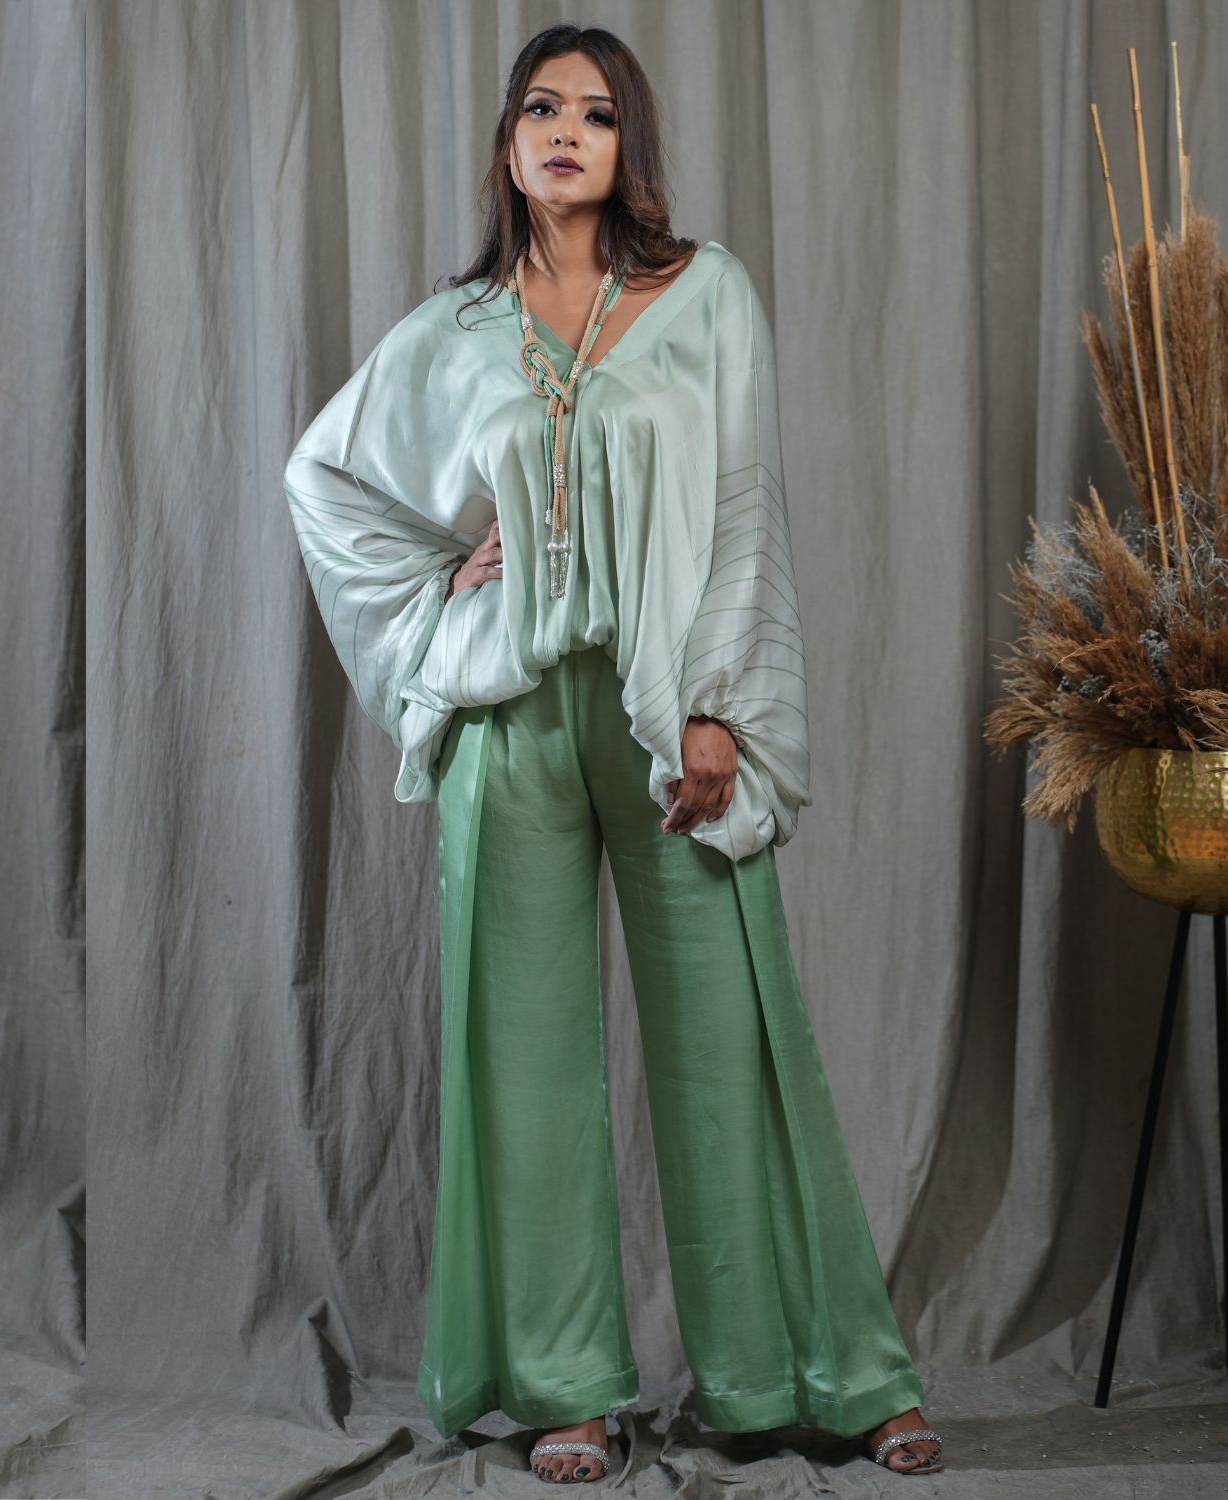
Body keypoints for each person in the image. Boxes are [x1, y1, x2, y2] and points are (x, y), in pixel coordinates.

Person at [282, 22, 945, 1485]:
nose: (567, 131)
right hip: (512, 715)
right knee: (520, 1055)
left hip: (664, 717)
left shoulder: (707, 296)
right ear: (509, 143)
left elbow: (745, 508)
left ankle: (818, 1374)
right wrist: (446, 581)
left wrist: (717, 706)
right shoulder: (457, 328)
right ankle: (563, 1385)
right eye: (542, 108)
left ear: (628, 140)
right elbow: (322, 478)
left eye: (595, 111)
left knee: (732, 1038)